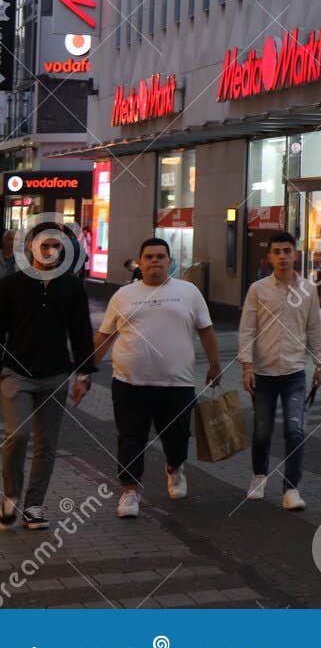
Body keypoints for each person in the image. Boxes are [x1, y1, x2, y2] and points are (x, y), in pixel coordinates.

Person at [92, 237, 222, 520]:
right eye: (149, 257)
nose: (154, 261)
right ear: (139, 262)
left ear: (170, 261)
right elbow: (104, 336)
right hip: (129, 383)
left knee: (176, 437)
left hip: (177, 384)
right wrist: (84, 372)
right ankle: (129, 490)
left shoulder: (188, 292)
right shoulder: (123, 295)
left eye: (160, 256)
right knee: (130, 437)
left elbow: (206, 330)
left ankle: (175, 467)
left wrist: (214, 365)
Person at [0, 223, 96, 530]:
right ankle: (10, 496)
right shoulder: (11, 285)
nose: (50, 249)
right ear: (30, 247)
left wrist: (84, 374)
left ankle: (34, 506)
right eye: (44, 244)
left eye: (56, 244)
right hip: (17, 374)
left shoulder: (71, 286)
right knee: (19, 435)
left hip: (56, 374)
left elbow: (81, 332)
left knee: (47, 443)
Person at [238, 230, 321, 511]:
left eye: (287, 251)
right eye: (277, 252)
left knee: (295, 430)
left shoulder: (308, 290)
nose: (282, 256)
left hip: (294, 372)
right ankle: (259, 476)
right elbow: (247, 329)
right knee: (262, 430)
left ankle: (292, 488)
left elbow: (314, 328)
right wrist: (247, 366)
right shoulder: (258, 289)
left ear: (295, 254)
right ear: (269, 257)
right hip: (263, 373)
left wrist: (320, 363)